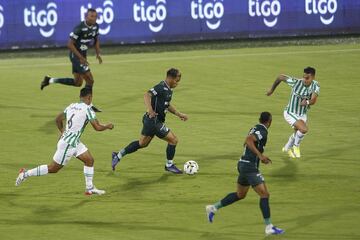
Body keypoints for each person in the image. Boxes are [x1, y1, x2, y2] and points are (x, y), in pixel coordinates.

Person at [15, 88, 114, 195]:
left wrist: (62, 132)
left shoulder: (71, 106)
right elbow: (97, 127)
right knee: (53, 168)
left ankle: (89, 188)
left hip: (73, 141)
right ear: (89, 97)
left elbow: (58, 119)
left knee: (89, 160)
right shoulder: (88, 110)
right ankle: (25, 174)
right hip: (69, 144)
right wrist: (108, 126)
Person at [205, 112, 284, 236]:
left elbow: (248, 141)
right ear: (270, 121)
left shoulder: (254, 127)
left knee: (240, 194)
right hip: (249, 166)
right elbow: (248, 140)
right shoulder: (262, 130)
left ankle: (213, 207)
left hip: (242, 164)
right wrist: (260, 155)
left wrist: (259, 155)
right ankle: (269, 227)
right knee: (264, 194)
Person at [111, 68, 188, 174]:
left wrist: (179, 114)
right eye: (176, 80)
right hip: (154, 121)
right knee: (173, 140)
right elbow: (147, 95)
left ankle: (118, 155)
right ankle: (169, 165)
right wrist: (151, 110)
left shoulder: (169, 90)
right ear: (170, 78)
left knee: (142, 143)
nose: (177, 83)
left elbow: (167, 105)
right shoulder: (161, 87)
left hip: (150, 121)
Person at [40, 8, 103, 112]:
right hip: (76, 56)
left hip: (82, 56)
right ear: (86, 17)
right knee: (90, 80)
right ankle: (88, 105)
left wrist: (98, 53)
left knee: (78, 82)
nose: (94, 18)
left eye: (95, 16)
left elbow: (96, 40)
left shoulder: (96, 27)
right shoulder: (79, 28)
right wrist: (81, 58)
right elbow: (69, 44)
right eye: (92, 16)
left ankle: (50, 80)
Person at [266, 67, 320, 158]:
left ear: (313, 77)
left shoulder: (315, 85)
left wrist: (307, 102)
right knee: (304, 129)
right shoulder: (296, 82)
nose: (305, 80)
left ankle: (287, 148)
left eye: (307, 78)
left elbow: (313, 100)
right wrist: (272, 90)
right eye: (304, 77)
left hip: (302, 114)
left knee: (297, 133)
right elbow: (280, 77)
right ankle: (296, 146)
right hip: (290, 112)